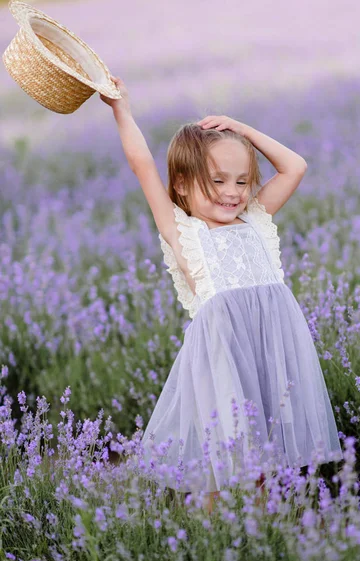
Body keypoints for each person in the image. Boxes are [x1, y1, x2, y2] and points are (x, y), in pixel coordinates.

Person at [100, 76, 344, 514]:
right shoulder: (183, 232)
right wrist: (122, 110)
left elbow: (296, 166)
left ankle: (259, 530)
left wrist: (242, 131)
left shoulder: (255, 219)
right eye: (217, 181)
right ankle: (213, 532)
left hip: (272, 349)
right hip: (222, 357)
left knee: (265, 456)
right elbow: (141, 163)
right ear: (181, 184)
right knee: (226, 456)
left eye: (242, 181)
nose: (233, 193)